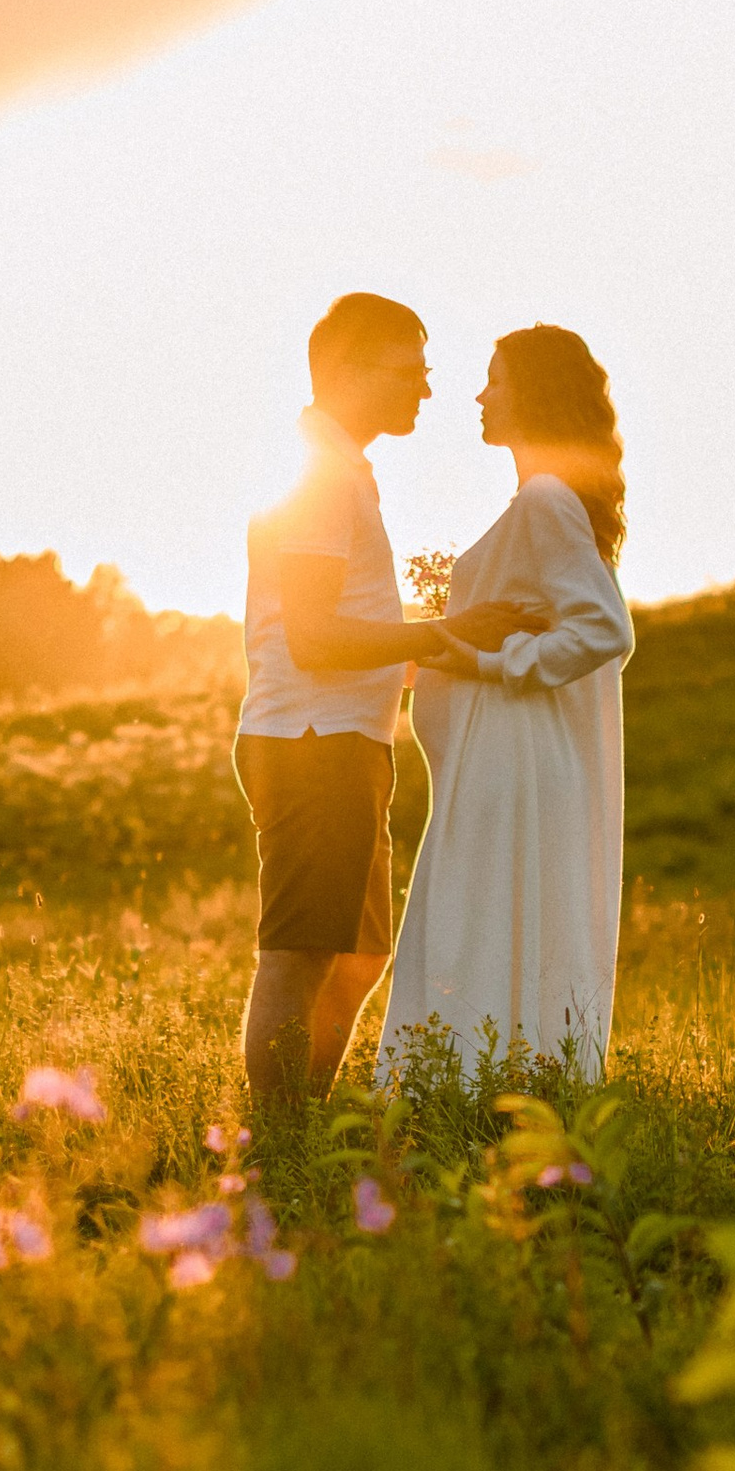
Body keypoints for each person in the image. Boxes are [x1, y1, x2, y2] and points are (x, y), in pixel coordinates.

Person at [237, 293, 545, 1107]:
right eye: (412, 372)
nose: (429, 391)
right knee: (301, 953)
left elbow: (347, 632)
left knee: (360, 954)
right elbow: (314, 637)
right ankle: (277, 1142)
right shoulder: (318, 479)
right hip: (312, 740)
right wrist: (444, 629)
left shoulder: (341, 471)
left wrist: (455, 651)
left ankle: (300, 1116)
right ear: (349, 370)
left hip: (342, 739)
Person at [381, 322, 636, 1080]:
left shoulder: (547, 500)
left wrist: (494, 661)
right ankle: (496, 1085)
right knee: (490, 920)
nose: (480, 395)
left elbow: (604, 628)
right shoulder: (543, 501)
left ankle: (467, 1087)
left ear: (534, 391)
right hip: (502, 755)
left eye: (495, 378)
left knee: (480, 920)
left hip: (513, 758)